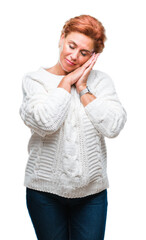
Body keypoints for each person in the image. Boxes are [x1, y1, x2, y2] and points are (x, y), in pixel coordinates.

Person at [19, 14, 127, 240]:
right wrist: (66, 83)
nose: (74, 56)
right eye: (71, 46)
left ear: (93, 57)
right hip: (44, 192)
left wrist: (84, 88)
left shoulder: (101, 82)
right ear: (62, 38)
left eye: (84, 53)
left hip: (91, 194)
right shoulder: (35, 81)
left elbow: (114, 126)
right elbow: (45, 123)